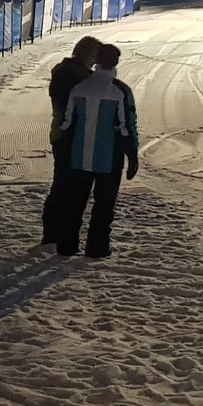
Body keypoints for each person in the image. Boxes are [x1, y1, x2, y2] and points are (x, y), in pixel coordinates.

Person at [48, 42, 138, 259]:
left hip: (79, 155)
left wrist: (63, 145)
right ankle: (97, 247)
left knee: (75, 202)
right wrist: (132, 155)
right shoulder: (120, 90)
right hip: (108, 158)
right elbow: (127, 126)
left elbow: (67, 122)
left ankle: (66, 245)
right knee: (103, 205)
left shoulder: (80, 87)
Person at [40, 36, 103, 245]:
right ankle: (53, 232)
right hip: (67, 136)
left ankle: (58, 230)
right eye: (95, 56)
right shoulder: (70, 75)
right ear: (86, 54)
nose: (96, 61)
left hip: (72, 135)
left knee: (68, 185)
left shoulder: (74, 73)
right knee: (64, 185)